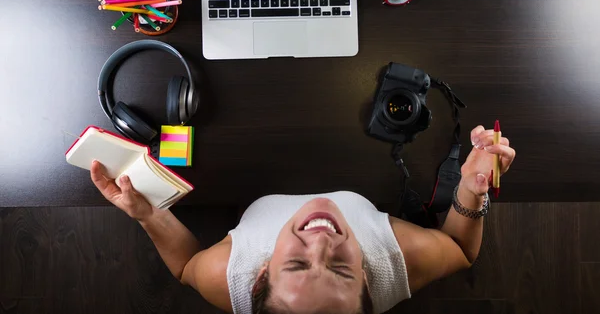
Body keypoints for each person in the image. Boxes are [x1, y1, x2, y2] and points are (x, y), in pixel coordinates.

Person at [90, 125, 515, 314]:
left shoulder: (227, 276)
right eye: (339, 268)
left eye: (296, 264)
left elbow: (184, 267)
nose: (321, 241)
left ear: (259, 277)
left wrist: (147, 215)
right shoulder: (397, 261)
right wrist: (470, 189)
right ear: (369, 279)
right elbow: (460, 251)